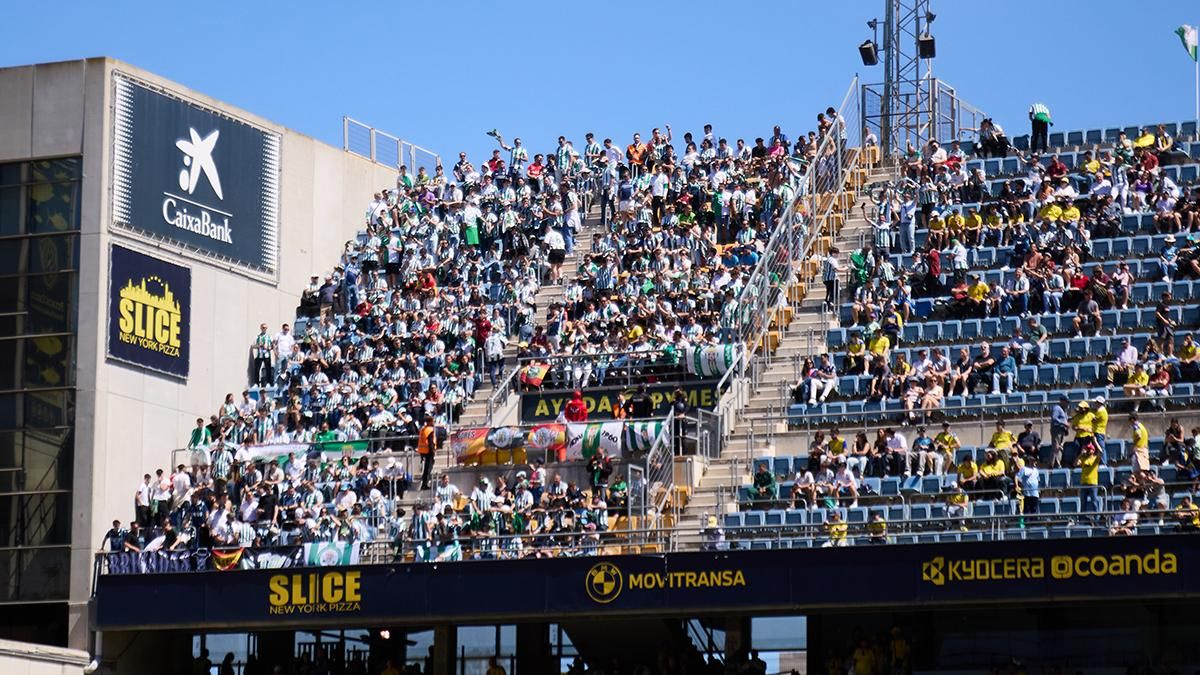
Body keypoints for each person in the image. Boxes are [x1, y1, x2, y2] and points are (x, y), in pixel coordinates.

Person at [417, 417, 438, 491]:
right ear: (429, 422)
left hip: (423, 451)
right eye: (432, 421)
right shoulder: (430, 430)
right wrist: (433, 451)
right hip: (429, 451)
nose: (433, 422)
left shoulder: (423, 429)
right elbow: (430, 442)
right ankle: (425, 484)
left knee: (426, 469)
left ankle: (424, 484)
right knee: (428, 468)